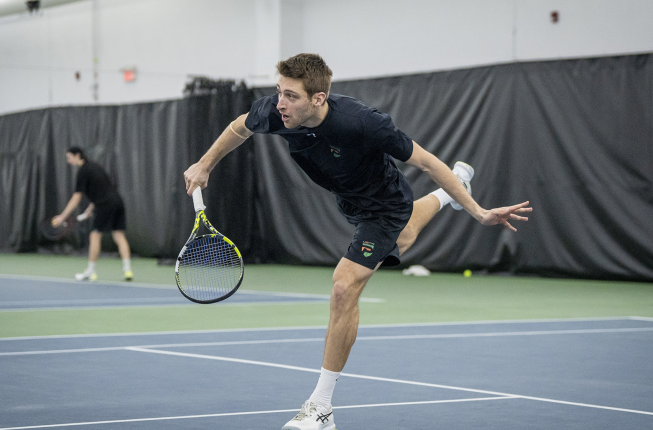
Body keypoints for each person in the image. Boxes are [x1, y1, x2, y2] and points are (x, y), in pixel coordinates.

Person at [183, 53, 532, 430]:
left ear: (318, 98)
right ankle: (452, 191)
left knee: (344, 287)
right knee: (408, 235)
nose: (280, 103)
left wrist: (479, 213)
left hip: (385, 205)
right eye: (279, 92)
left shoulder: (363, 123)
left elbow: (429, 163)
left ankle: (320, 407)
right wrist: (206, 163)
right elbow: (240, 127)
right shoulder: (276, 111)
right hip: (349, 200)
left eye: (291, 96)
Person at [53, 147, 133, 282]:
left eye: (69, 157)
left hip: (105, 205)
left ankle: (91, 271)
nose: (68, 160)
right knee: (119, 235)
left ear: (77, 155)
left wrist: (62, 216)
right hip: (117, 202)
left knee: (95, 235)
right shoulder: (95, 167)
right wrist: (91, 207)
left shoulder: (83, 171)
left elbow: (76, 197)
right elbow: (104, 189)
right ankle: (128, 270)